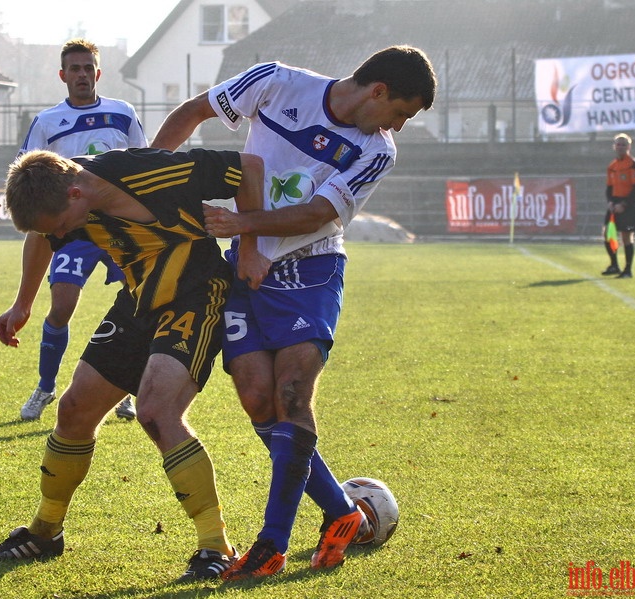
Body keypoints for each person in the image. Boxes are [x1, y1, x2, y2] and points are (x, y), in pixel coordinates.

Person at [150, 45, 437, 580]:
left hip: (312, 270)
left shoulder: (377, 150)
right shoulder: (276, 82)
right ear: (378, 92)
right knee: (258, 398)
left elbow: (317, 213)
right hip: (246, 264)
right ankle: (341, 513)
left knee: (290, 394)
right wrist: (143, 181)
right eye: (401, 112)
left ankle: (271, 544)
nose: (399, 125)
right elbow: (192, 113)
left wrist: (243, 227)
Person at [0, 147, 270, 581]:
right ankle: (45, 532)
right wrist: (23, 303)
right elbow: (42, 233)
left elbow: (249, 167)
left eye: (63, 224)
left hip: (196, 293)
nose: (62, 235)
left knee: (156, 411)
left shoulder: (151, 173)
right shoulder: (63, 197)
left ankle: (216, 546)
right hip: (137, 301)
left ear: (77, 194)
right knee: (74, 410)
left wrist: (249, 243)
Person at [16, 38, 146, 422]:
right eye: (75, 69)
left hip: (121, 227)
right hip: (76, 232)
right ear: (63, 75)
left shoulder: (122, 113)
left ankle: (124, 389)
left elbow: (144, 162)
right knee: (62, 306)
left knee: (138, 304)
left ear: (98, 73)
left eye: (88, 68)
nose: (82, 75)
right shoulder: (47, 122)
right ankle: (45, 386)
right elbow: (25, 172)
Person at [601, 133, 635, 279]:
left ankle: (628, 270)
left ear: (629, 147)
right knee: (608, 234)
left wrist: (624, 204)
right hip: (615, 203)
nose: (621, 147)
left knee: (626, 237)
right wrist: (611, 202)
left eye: (624, 144)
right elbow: (609, 188)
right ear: (614, 146)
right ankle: (614, 265)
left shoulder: (633, 164)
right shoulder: (612, 166)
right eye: (618, 144)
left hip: (628, 204)